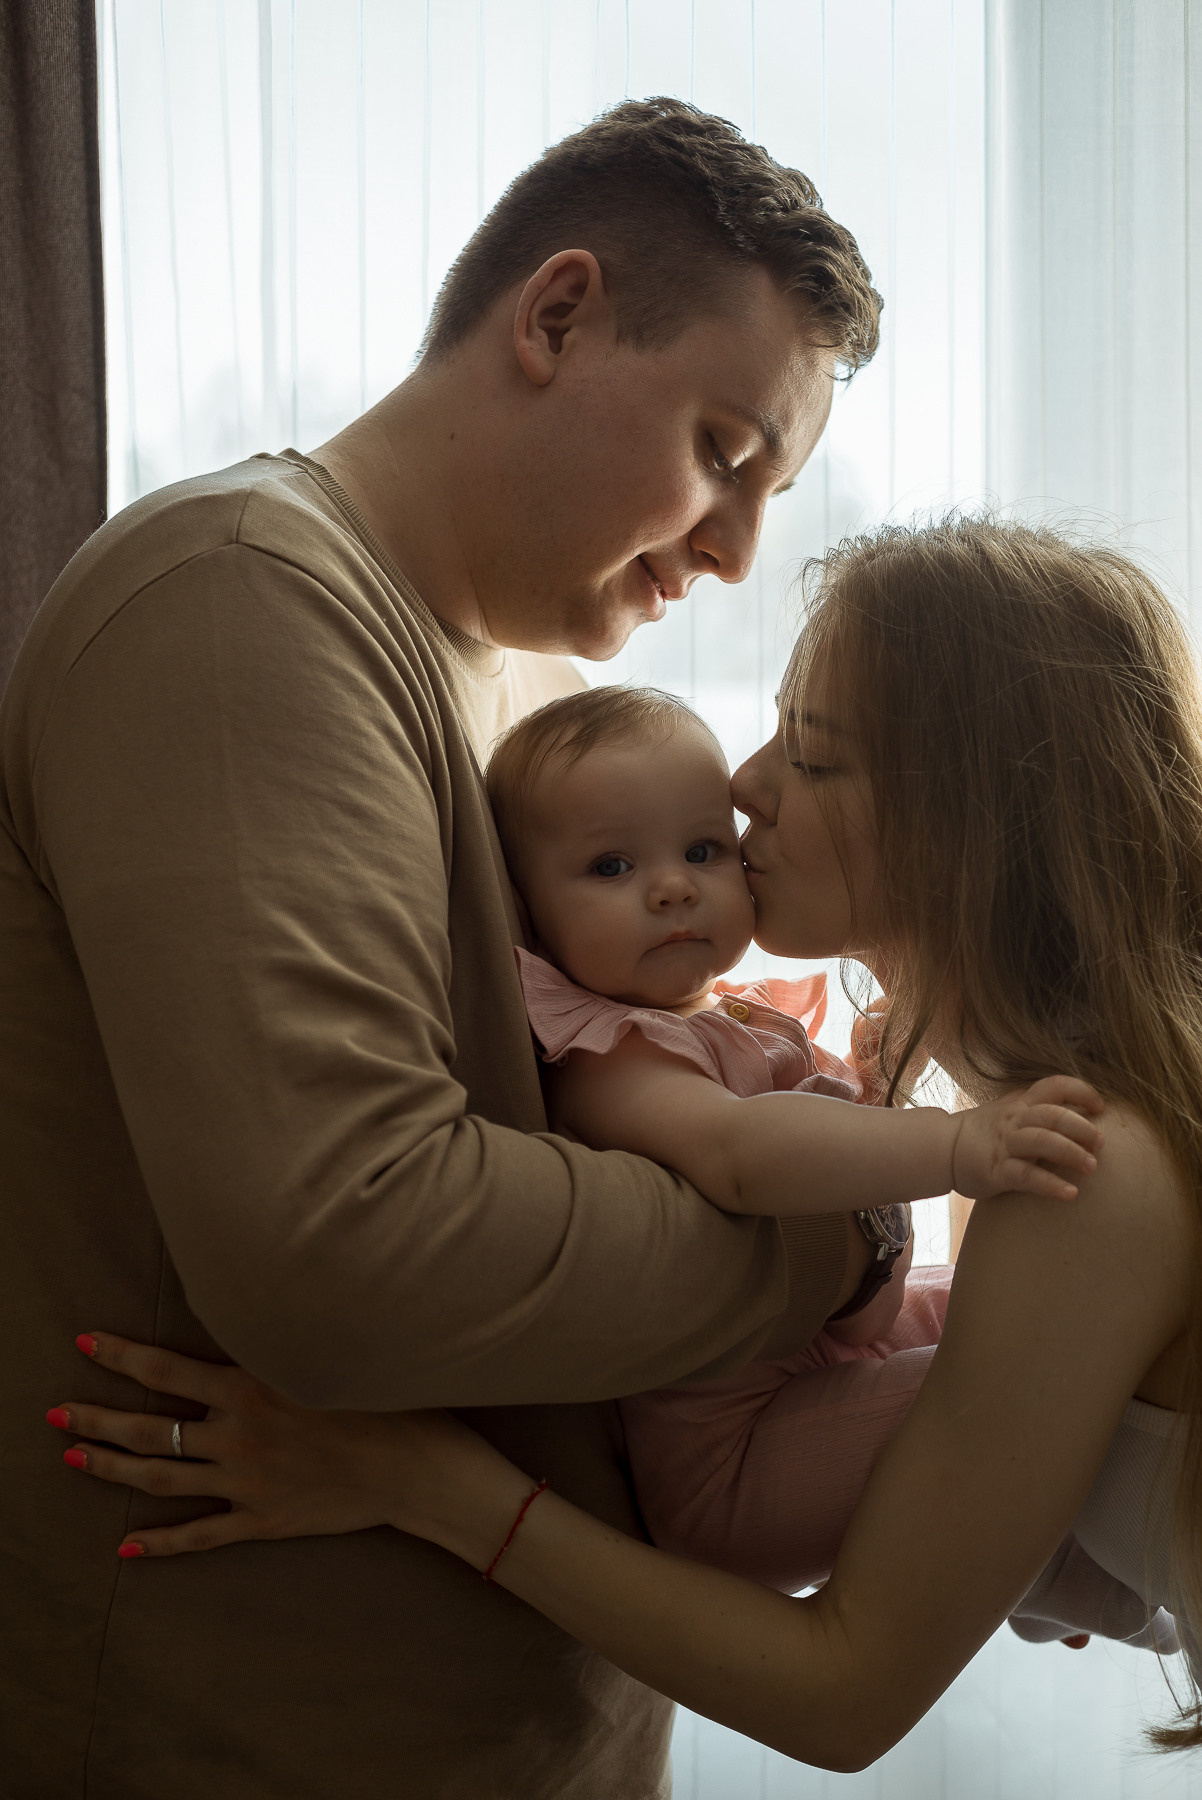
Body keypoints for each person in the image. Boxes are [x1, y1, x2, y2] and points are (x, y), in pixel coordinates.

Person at [0, 97, 886, 1798]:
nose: (733, 549)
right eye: (721, 447)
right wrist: (828, 1235)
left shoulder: (528, 702)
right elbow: (352, 1249)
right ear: (553, 318)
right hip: (251, 1737)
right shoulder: (239, 603)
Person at [48, 515, 1202, 1765]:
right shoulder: (1055, 1123)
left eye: (810, 760)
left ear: (976, 825)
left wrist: (421, 1482)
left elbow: (843, 1693)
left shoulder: (1079, 1167)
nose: (744, 787)